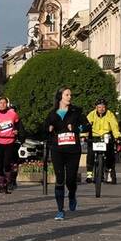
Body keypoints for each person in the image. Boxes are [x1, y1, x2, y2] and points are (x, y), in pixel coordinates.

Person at [43, 87, 87, 220]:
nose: (69, 97)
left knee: (71, 179)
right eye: (67, 95)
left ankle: (72, 195)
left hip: (73, 150)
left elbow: (86, 126)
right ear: (60, 96)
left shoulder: (76, 111)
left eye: (70, 95)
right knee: (60, 179)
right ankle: (60, 210)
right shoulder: (52, 114)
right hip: (58, 150)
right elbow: (44, 130)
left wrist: (76, 128)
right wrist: (49, 129)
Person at [86, 98, 121, 184]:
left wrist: (117, 136)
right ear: (96, 108)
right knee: (90, 153)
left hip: (106, 136)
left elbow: (114, 126)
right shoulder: (91, 115)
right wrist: (83, 135)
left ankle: (109, 172)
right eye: (99, 107)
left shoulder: (110, 115)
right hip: (94, 136)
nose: (101, 109)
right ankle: (89, 175)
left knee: (110, 154)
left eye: (103, 107)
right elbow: (86, 125)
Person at [0, 96, 20, 193]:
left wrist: (17, 131)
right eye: (0, 103)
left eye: (4, 103)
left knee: (7, 163)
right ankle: (1, 183)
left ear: (7, 104)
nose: (2, 104)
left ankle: (7, 182)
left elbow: (18, 125)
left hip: (9, 142)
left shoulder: (13, 114)